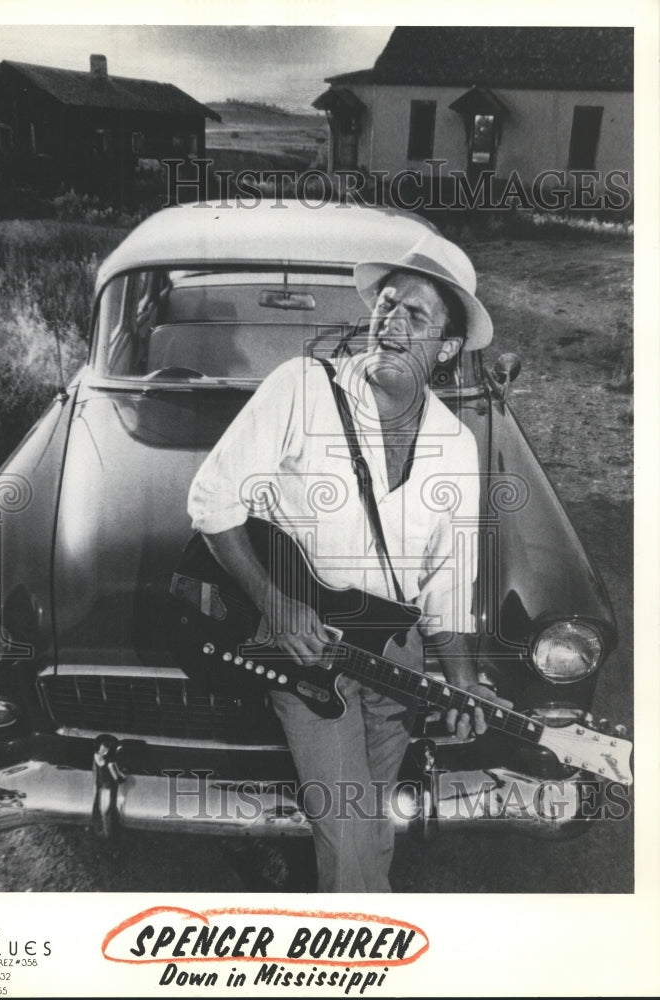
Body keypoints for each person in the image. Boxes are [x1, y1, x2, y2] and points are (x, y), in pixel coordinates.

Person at [187, 226, 509, 892]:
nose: (390, 321)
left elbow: (450, 582)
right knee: (353, 823)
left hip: (397, 660)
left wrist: (461, 682)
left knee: (371, 820)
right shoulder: (303, 389)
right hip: (309, 653)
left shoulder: (456, 446)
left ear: (446, 348)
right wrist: (275, 605)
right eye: (385, 305)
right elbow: (212, 499)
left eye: (414, 314)